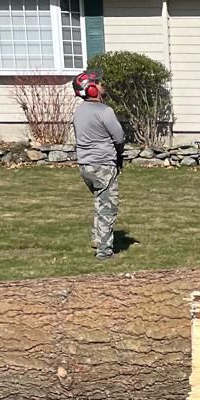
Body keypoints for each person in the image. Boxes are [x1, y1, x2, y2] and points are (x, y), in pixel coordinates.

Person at [72, 69, 125, 260]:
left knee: (100, 201)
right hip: (103, 165)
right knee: (108, 207)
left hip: (85, 166)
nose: (103, 86)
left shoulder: (78, 112)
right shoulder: (105, 111)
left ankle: (97, 238)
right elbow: (119, 137)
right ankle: (104, 252)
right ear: (91, 89)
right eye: (99, 83)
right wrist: (119, 155)